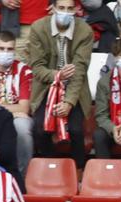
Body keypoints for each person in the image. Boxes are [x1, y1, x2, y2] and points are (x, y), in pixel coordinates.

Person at [24, 0, 94, 164]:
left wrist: (69, 102)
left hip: (75, 88)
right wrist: (58, 75)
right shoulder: (38, 28)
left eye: (70, 8)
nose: (65, 12)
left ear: (76, 9)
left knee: (76, 130)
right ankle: (51, 165)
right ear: (52, 8)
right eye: (61, 8)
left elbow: (79, 70)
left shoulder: (85, 30)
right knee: (40, 129)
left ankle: (78, 171)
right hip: (45, 87)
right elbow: (37, 67)